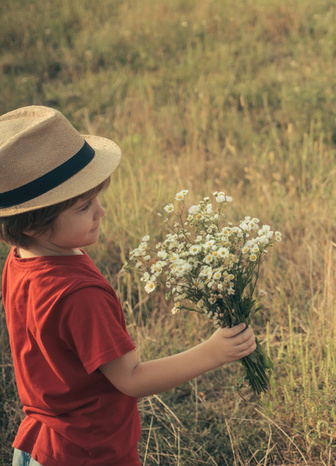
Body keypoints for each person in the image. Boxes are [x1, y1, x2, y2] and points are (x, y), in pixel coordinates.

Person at [0, 106, 258, 466]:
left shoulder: (20, 259)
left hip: (36, 445)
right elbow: (132, 378)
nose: (100, 212)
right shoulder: (80, 295)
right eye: (84, 206)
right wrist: (213, 352)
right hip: (89, 452)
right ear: (32, 224)